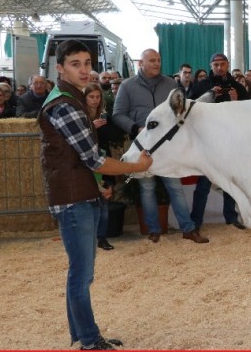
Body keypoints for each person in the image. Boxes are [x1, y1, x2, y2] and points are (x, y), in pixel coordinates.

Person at [38, 39, 152, 350]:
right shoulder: (65, 104)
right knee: (82, 273)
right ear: (60, 68)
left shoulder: (71, 100)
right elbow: (94, 159)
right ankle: (89, 340)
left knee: (81, 272)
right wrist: (137, 166)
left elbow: (84, 159)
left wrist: (100, 182)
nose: (85, 70)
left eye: (88, 63)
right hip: (73, 198)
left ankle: (82, 334)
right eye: (76, 64)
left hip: (77, 193)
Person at [112, 49, 209, 244]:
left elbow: (180, 112)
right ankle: (154, 230)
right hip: (143, 144)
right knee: (147, 188)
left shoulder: (171, 84)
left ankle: (188, 229)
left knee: (175, 187)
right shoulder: (127, 86)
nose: (157, 64)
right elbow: (118, 114)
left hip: (167, 146)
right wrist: (135, 128)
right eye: (152, 60)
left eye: (158, 60)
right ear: (141, 63)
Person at [187, 53, 248, 231]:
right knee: (203, 185)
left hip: (231, 141)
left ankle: (231, 217)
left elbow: (248, 113)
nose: (219, 67)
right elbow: (190, 108)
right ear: (210, 66)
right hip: (207, 142)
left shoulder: (237, 86)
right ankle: (196, 221)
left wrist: (236, 100)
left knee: (230, 183)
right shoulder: (201, 86)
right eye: (216, 65)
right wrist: (209, 96)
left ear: (228, 65)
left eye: (222, 64)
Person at [84, 83, 117, 251]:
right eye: (91, 97)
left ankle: (102, 238)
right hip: (85, 162)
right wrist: (91, 126)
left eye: (98, 97)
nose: (95, 100)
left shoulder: (105, 115)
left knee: (104, 203)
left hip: (103, 160)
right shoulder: (80, 117)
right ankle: (86, 239)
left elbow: (112, 137)